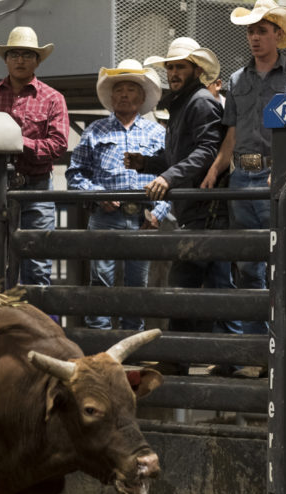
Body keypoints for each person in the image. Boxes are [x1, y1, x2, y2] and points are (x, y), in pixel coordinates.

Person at [200, 0, 286, 354]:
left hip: (275, 175)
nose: (254, 37)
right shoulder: (236, 79)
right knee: (249, 263)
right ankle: (253, 350)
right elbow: (231, 134)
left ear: (277, 35)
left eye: (261, 31)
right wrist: (216, 169)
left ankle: (279, 351)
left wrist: (284, 171)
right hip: (242, 177)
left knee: (279, 263)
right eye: (250, 31)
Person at [127, 38, 241, 350]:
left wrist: (166, 175)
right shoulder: (184, 104)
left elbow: (206, 151)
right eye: (171, 67)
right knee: (216, 285)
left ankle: (181, 356)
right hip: (199, 208)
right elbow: (185, 156)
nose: (174, 72)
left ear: (195, 70)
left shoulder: (199, 102)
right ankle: (233, 357)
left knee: (188, 284)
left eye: (180, 67)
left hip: (207, 209)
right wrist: (148, 164)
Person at [66, 60, 170, 331]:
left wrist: (158, 213)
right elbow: (75, 175)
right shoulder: (93, 131)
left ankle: (131, 345)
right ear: (111, 97)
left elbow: (172, 178)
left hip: (144, 218)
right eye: (119, 89)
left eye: (131, 89)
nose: (124, 94)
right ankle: (99, 344)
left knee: (139, 284)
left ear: (143, 96)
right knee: (100, 281)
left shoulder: (159, 133)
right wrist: (99, 194)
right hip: (105, 216)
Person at [0, 26, 69, 286]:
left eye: (27, 55)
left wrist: (14, 142)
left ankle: (33, 324)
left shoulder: (53, 99)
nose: (20, 60)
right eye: (14, 54)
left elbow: (58, 146)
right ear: (6, 59)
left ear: (37, 61)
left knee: (36, 263)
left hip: (35, 187)